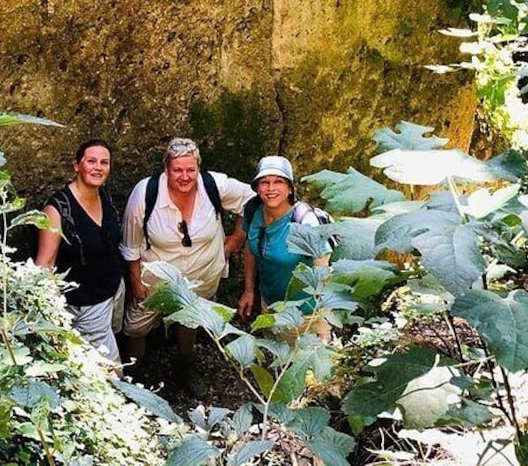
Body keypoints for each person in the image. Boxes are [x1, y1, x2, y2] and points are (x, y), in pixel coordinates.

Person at [119, 138, 254, 397]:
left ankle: (184, 366)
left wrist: (237, 237)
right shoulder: (145, 194)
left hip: (201, 275)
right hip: (156, 280)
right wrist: (136, 281)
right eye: (177, 170)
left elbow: (251, 198)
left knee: (190, 322)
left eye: (190, 170)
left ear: (199, 167)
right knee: (137, 327)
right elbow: (130, 244)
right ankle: (134, 374)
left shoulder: (213, 185)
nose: (184, 176)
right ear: (165, 168)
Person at [36, 139, 125, 365]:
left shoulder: (104, 196)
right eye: (91, 161)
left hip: (113, 289)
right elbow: (44, 264)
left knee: (115, 340)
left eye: (104, 162)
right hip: (86, 303)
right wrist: (54, 316)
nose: (98, 167)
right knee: (112, 371)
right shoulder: (57, 210)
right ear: (76, 165)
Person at [236, 155, 331, 340]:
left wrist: (324, 326)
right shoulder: (253, 210)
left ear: (289, 188)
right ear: (257, 188)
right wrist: (249, 290)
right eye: (264, 182)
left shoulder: (304, 223)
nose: (271, 189)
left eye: (278, 181)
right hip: (269, 305)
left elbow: (324, 275)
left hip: (302, 316)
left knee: (298, 367)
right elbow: (250, 248)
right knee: (276, 359)